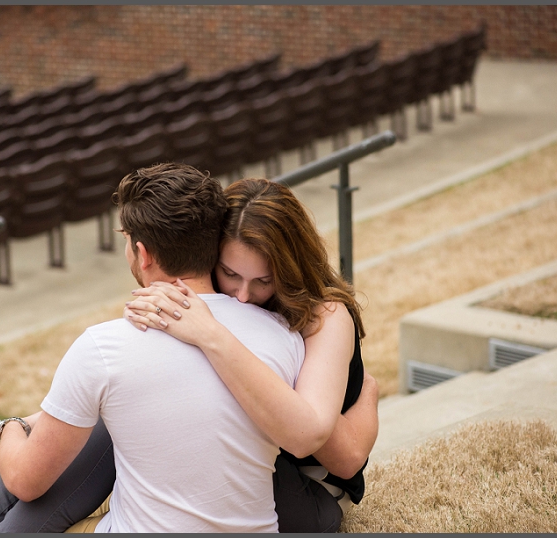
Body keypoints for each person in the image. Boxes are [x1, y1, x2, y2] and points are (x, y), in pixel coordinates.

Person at [0, 163, 346, 533]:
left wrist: (11, 427)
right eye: (234, 275)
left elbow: (23, 480)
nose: (244, 296)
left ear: (142, 252)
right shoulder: (286, 334)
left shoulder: (103, 346)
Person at [124, 177, 379, 531]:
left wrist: (213, 336)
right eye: (230, 273)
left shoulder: (325, 316)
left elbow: (344, 458)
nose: (242, 295)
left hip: (304, 481)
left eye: (263, 281)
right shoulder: (211, 297)